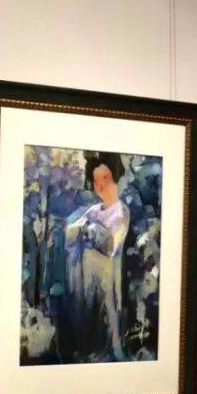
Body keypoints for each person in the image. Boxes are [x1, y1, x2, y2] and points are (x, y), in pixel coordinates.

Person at [64, 152, 130, 362]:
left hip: (107, 280)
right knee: (86, 319)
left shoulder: (120, 212)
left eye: (105, 178)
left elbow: (111, 246)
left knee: (107, 317)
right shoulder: (93, 210)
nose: (100, 186)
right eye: (96, 181)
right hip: (86, 278)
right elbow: (69, 233)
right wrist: (84, 227)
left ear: (116, 178)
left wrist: (91, 229)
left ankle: (113, 353)